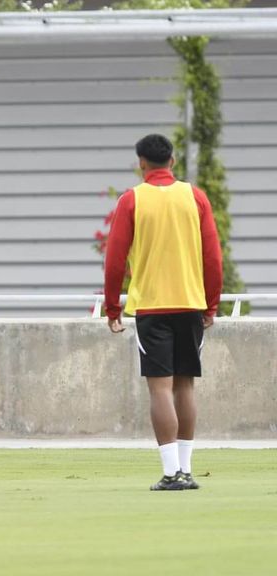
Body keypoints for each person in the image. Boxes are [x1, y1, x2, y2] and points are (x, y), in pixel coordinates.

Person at [104, 133, 222, 491]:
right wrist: (211, 304)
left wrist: (112, 306)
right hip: (190, 303)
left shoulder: (132, 199)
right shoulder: (195, 196)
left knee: (160, 388)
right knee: (185, 385)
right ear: (172, 161)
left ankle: (172, 473)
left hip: (152, 307)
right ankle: (186, 470)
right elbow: (213, 257)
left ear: (141, 163)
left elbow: (115, 258)